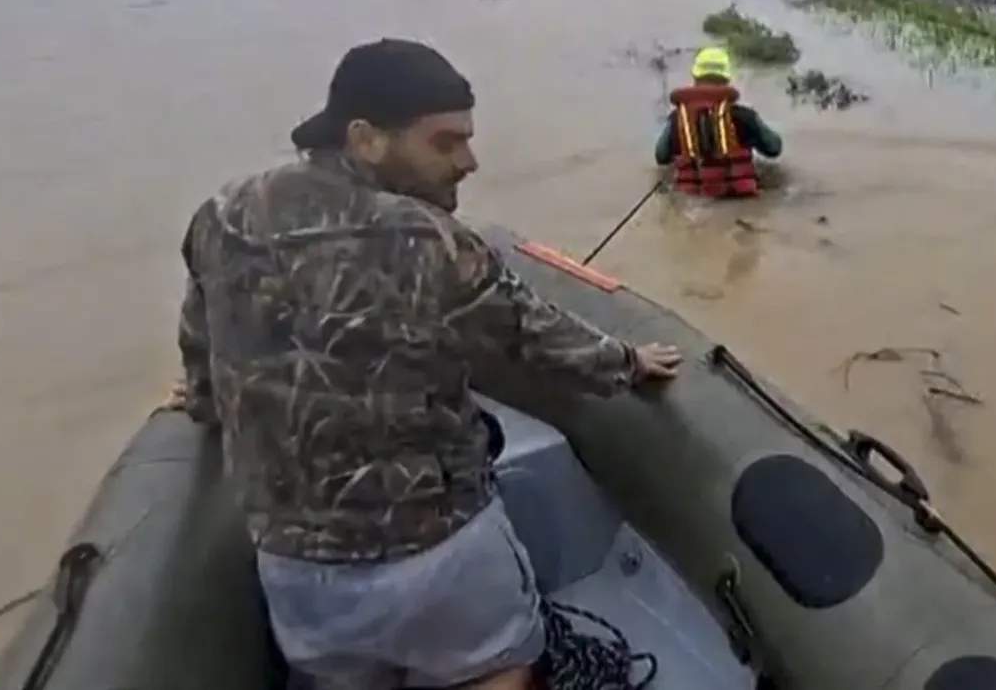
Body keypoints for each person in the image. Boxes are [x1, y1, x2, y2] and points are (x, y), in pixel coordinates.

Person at [161, 38, 683, 690]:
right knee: (500, 669)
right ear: (366, 138)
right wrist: (628, 361)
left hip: (299, 574)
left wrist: (204, 402)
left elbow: (201, 339)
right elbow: (533, 335)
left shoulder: (222, 214)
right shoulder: (429, 235)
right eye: (445, 143)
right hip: (440, 554)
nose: (469, 160)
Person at [653, 46, 783, 198]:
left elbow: (661, 157)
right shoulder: (744, 116)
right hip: (740, 197)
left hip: (693, 199)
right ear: (727, 80)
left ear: (695, 78)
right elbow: (774, 148)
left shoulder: (677, 119)